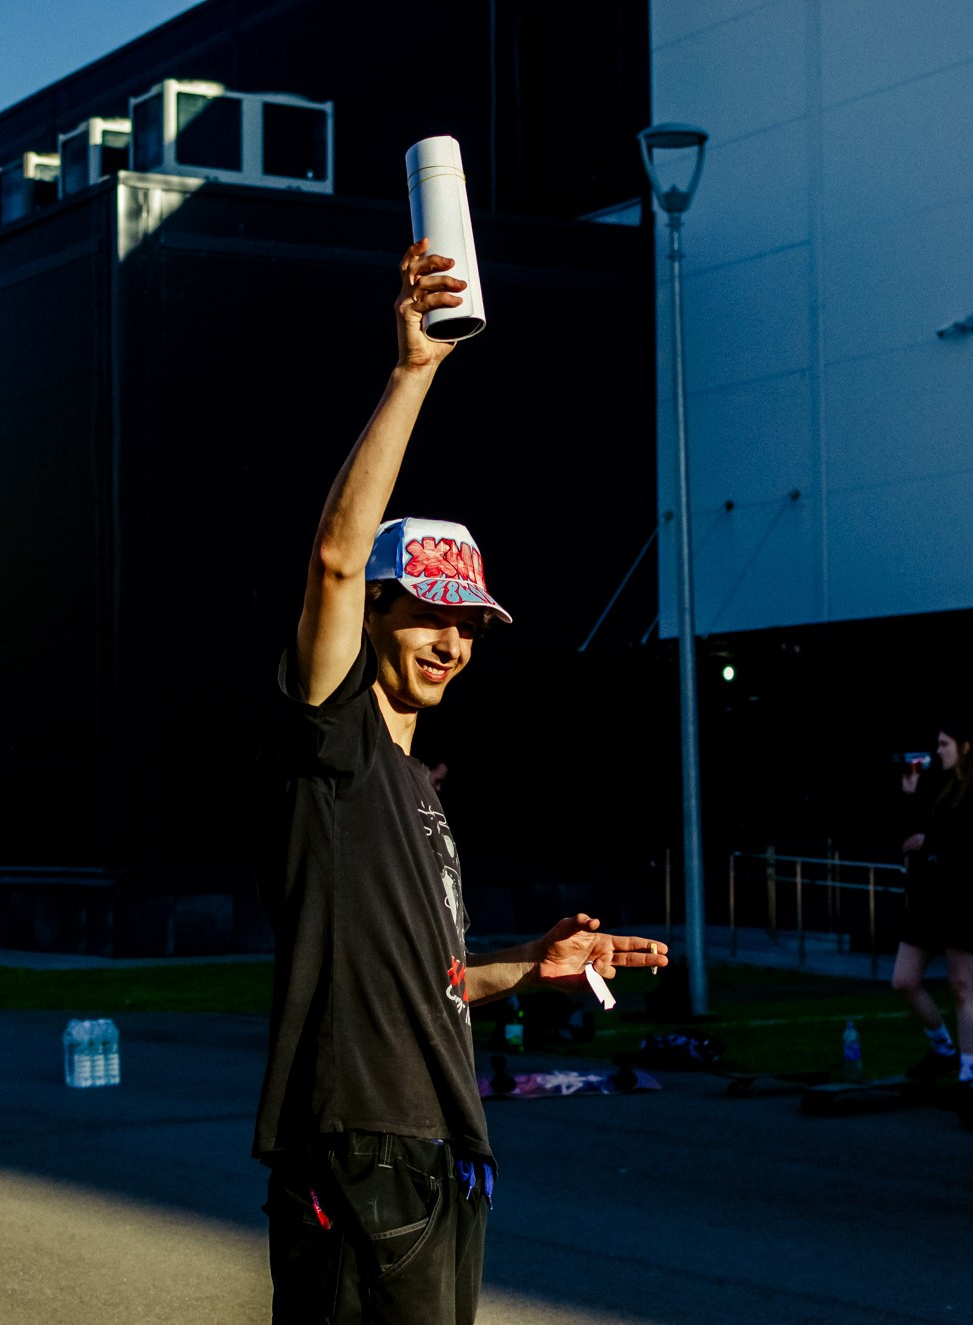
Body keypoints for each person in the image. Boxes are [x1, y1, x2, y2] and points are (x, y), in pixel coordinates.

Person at [252, 241, 668, 1323]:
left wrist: (528, 966)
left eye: (471, 622)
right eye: (430, 613)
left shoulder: (414, 788)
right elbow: (334, 560)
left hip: (439, 1143)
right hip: (359, 1140)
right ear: (377, 613)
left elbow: (426, 982)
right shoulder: (330, 741)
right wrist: (414, 370)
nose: (452, 640)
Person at [892, 723, 973, 1091]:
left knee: (961, 984)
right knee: (904, 980)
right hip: (929, 895)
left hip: (964, 897)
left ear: (966, 746)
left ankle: (968, 1073)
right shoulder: (939, 786)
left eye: (944, 744)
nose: (938, 751)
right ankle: (942, 1048)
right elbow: (914, 836)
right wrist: (909, 797)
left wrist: (931, 842)